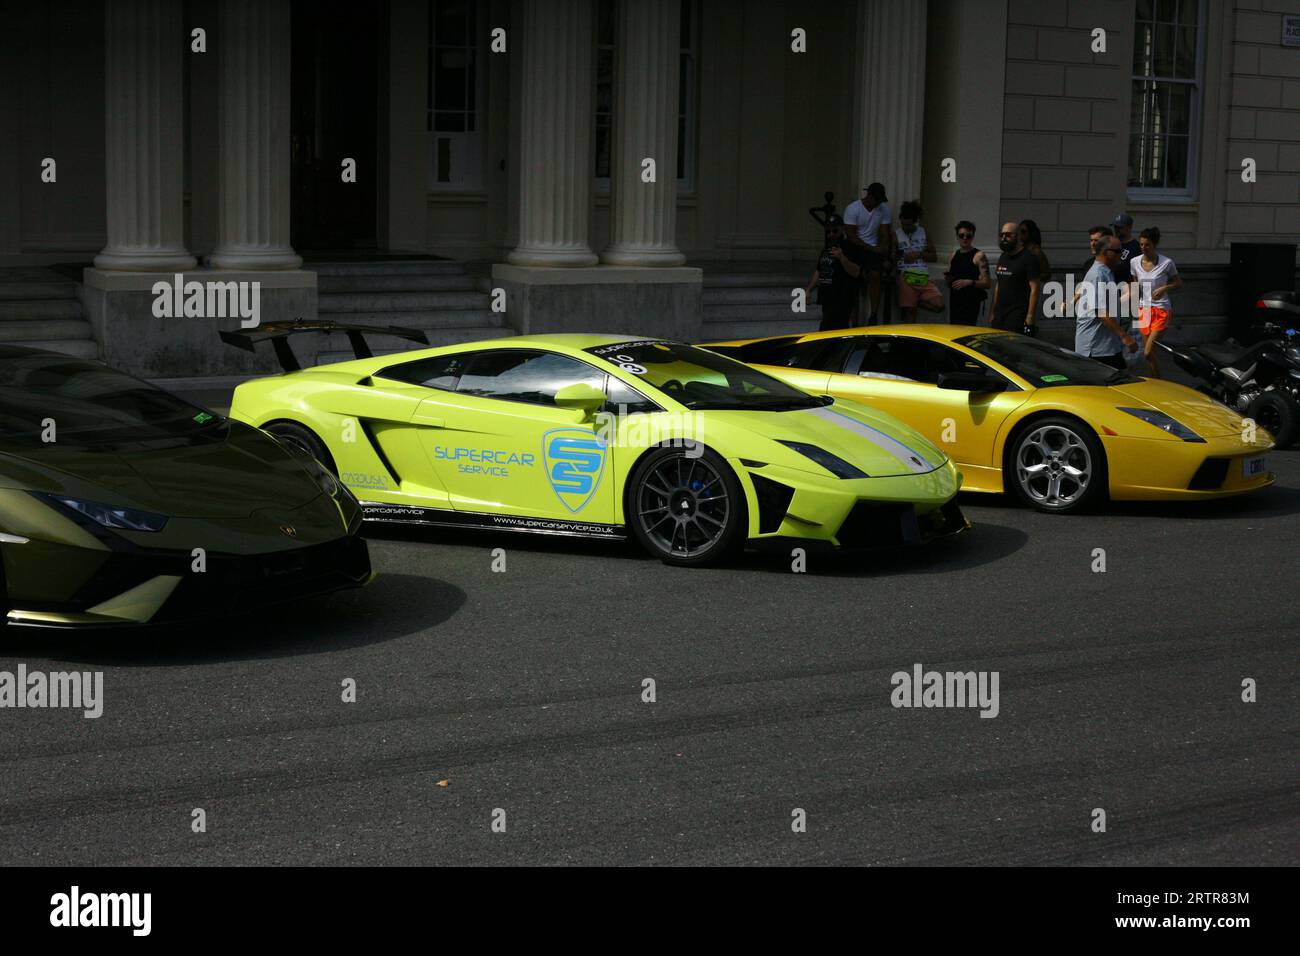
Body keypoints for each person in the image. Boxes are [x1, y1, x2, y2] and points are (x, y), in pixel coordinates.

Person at [1076, 235, 1138, 371]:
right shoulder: (1098, 275)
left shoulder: (1107, 272)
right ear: (1105, 252)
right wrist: (1124, 337)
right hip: (1095, 348)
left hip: (1106, 346)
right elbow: (1102, 313)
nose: (1121, 255)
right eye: (1117, 251)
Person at [1128, 226, 1182, 378]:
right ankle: (1157, 381)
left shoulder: (1167, 263)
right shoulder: (1134, 262)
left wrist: (1165, 287)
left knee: (1147, 352)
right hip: (1143, 309)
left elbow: (1179, 283)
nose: (1143, 248)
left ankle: (1159, 381)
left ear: (1154, 245)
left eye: (1147, 245)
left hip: (1161, 309)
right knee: (1149, 353)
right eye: (1141, 244)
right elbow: (1135, 285)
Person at [804, 214, 865, 332]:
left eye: (834, 231)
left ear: (842, 228)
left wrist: (842, 257)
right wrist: (808, 289)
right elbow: (819, 270)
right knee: (828, 328)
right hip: (827, 296)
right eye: (828, 232)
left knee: (832, 329)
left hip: (842, 296)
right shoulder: (827, 248)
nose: (831, 234)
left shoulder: (850, 247)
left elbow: (856, 272)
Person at [842, 182, 893, 324]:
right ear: (869, 196)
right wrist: (872, 249)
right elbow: (851, 236)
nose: (878, 203)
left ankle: (873, 315)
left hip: (872, 248)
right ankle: (853, 320)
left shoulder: (884, 210)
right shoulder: (853, 209)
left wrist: (885, 251)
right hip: (855, 247)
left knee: (876, 275)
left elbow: (884, 233)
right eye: (877, 199)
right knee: (852, 279)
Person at [893, 201, 943, 320]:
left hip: (922, 275)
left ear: (915, 221)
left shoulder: (923, 232)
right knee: (910, 313)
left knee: (939, 305)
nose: (906, 228)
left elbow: (934, 257)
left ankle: (916, 301)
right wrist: (900, 257)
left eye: (909, 225)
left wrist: (919, 254)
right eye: (903, 224)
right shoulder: (895, 234)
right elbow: (891, 257)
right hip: (905, 275)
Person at [989, 221, 1041, 334]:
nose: (1004, 238)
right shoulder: (1003, 257)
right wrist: (993, 311)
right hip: (1000, 313)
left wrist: (1030, 316)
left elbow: (1035, 288)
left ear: (1018, 236)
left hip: (1017, 313)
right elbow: (999, 284)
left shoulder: (1028, 258)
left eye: (1008, 235)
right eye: (1002, 235)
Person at [944, 220, 990, 326]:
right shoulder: (953, 255)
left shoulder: (979, 256)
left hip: (971, 302)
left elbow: (987, 283)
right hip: (955, 301)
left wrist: (970, 282)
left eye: (968, 236)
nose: (965, 238)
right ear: (957, 236)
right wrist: (948, 279)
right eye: (961, 235)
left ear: (973, 237)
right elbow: (948, 282)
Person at [1110, 212, 1142, 283]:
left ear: (1129, 227)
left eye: (1120, 227)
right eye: (1115, 226)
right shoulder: (1112, 244)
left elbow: (1139, 273)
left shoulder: (1136, 248)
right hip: (1111, 287)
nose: (1116, 229)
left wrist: (1134, 291)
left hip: (1128, 289)